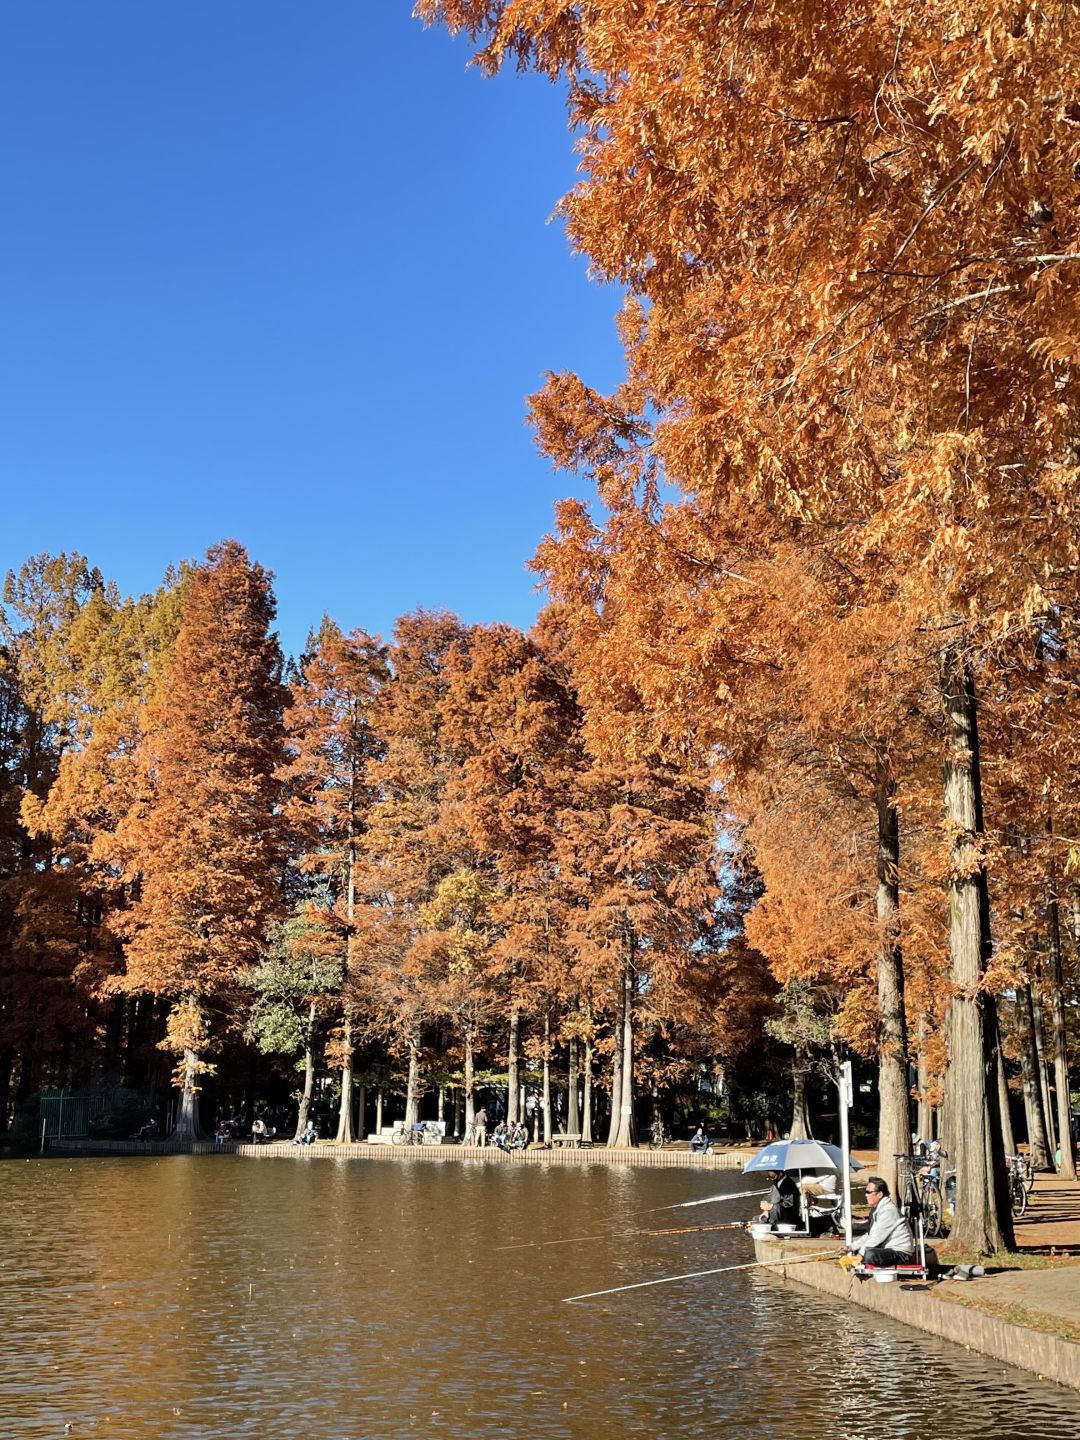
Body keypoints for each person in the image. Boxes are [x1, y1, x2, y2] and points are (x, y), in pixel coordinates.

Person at [850, 1176, 915, 1266]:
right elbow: (870, 1235)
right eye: (866, 1192)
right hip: (887, 1249)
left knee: (869, 1254)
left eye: (869, 1192)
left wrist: (860, 1255)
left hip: (900, 1253)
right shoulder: (877, 1209)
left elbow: (876, 1238)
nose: (866, 1195)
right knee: (860, 1250)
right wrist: (851, 1247)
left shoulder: (888, 1211)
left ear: (880, 1194)